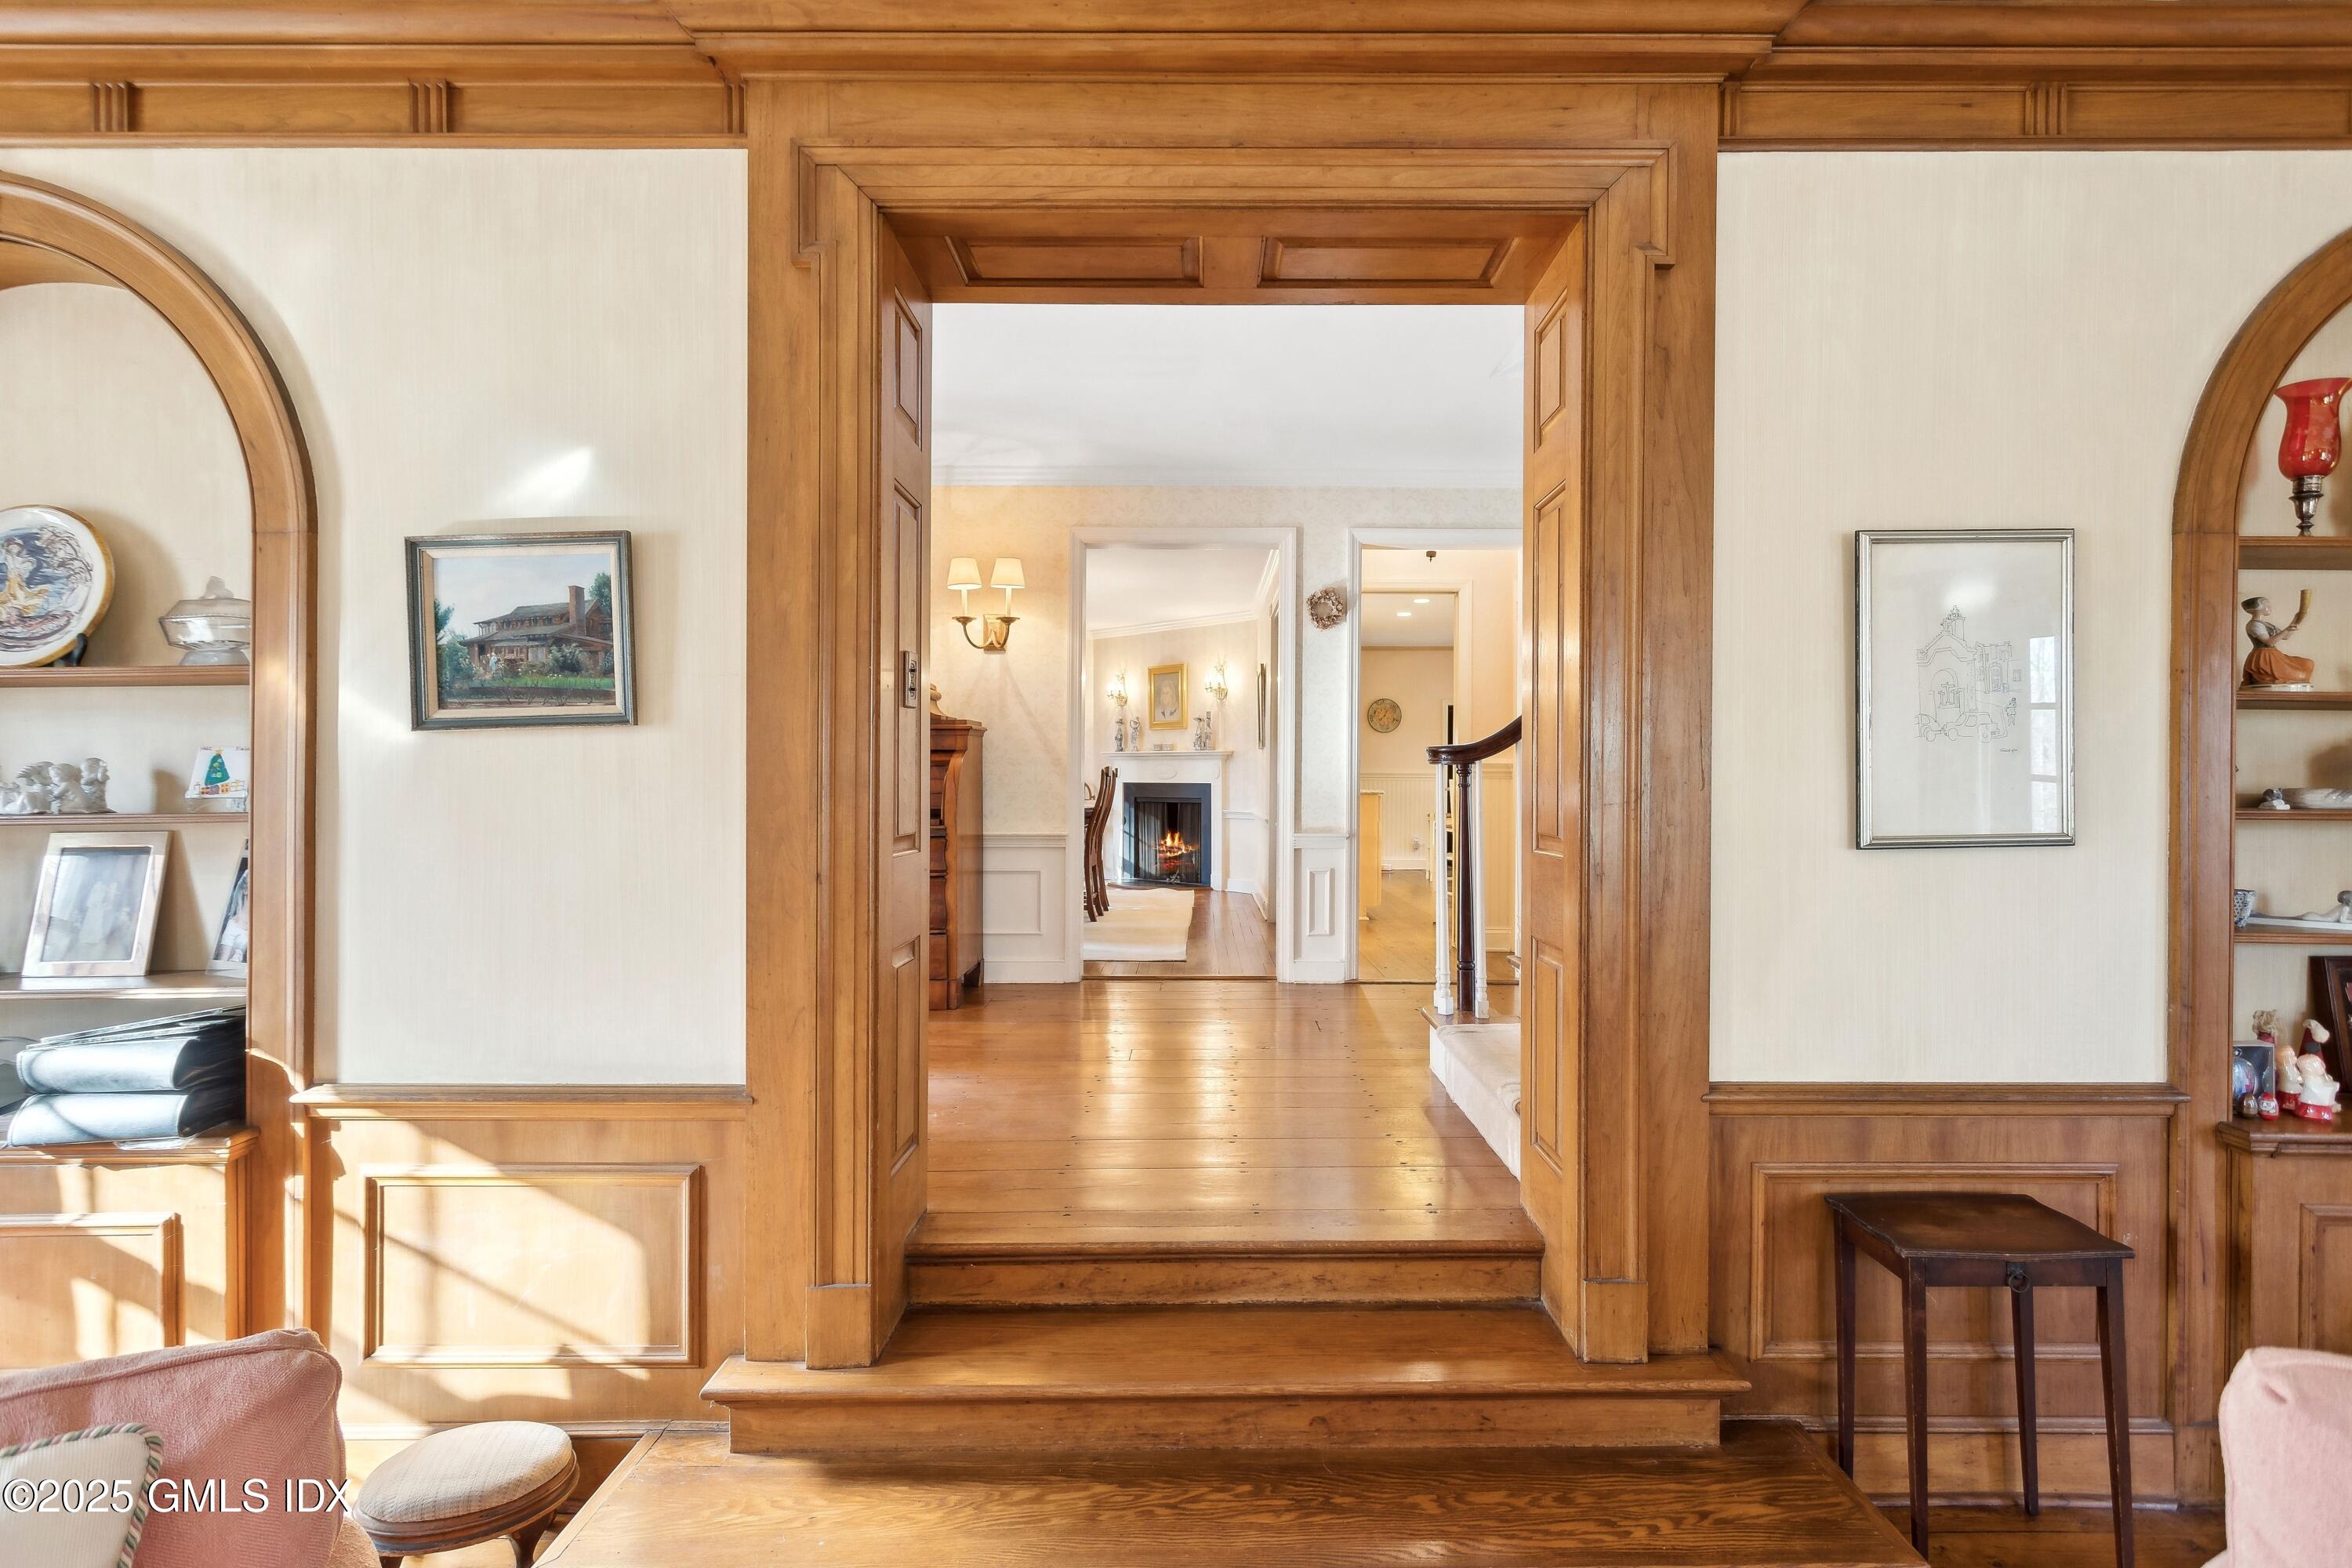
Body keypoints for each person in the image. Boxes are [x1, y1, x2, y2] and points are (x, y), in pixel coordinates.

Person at [2242, 592, 2318, 688]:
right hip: (2264, 658)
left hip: (2274, 655)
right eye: (2267, 605)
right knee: (2299, 675)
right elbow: (2269, 642)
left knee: (2308, 664)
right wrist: (2287, 629)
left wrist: (2295, 621)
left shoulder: (2266, 624)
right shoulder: (2254, 625)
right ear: (2258, 608)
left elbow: (2286, 636)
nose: (2270, 607)